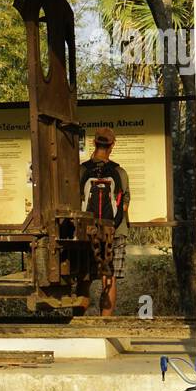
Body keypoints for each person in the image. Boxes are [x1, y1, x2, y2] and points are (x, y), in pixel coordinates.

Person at [80, 127, 131, 316]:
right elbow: (124, 204)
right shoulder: (120, 172)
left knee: (83, 278)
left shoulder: (82, 170)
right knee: (109, 279)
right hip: (115, 232)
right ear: (112, 145)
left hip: (87, 233)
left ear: (94, 143)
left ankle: (80, 325)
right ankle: (105, 324)